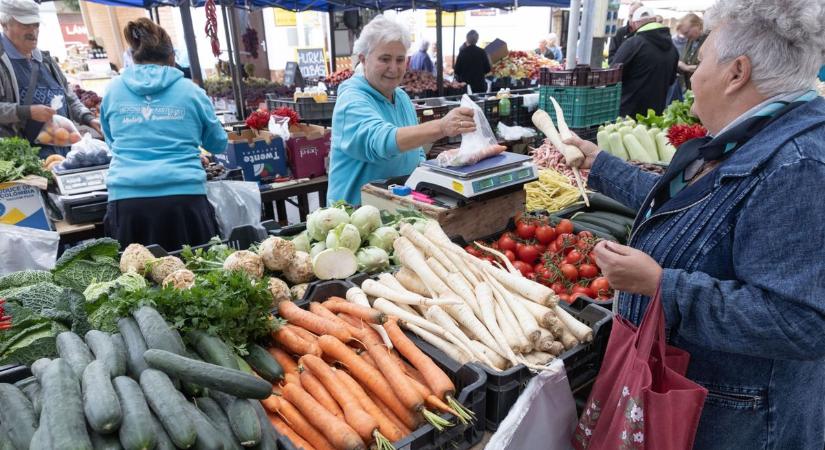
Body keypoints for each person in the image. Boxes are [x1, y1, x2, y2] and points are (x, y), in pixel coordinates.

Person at [563, 0, 825, 447]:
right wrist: (599, 164)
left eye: (701, 61)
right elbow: (696, 210)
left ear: (736, 73)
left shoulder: (799, 166)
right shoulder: (755, 136)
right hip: (708, 395)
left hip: (740, 421)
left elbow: (801, 322)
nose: (691, 77)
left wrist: (660, 285)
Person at [100, 18, 227, 251]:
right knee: (196, 270)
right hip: (184, 199)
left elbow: (112, 142)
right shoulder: (191, 92)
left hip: (127, 202)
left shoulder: (112, 91)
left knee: (136, 273)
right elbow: (218, 143)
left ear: (133, 57)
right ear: (171, 58)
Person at [326, 16, 475, 205]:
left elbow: (416, 152)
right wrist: (442, 127)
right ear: (363, 59)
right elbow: (381, 141)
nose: (394, 68)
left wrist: (436, 165)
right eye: (385, 59)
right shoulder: (351, 99)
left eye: (400, 59)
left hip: (397, 209)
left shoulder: (402, 98)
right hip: (353, 214)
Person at [0, 0, 99, 156]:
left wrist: (88, 118)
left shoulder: (45, 60)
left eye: (36, 25)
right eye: (25, 25)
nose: (33, 31)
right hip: (25, 162)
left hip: (64, 157)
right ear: (4, 24)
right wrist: (26, 112)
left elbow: (68, 95)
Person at [611, 7, 678, 117]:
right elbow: (671, 80)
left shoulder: (633, 44)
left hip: (628, 113)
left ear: (634, 24)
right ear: (655, 20)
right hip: (655, 115)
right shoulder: (673, 48)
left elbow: (613, 74)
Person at [454, 30, 491, 94]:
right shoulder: (482, 52)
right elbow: (488, 69)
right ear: (477, 40)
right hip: (480, 86)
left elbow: (457, 70)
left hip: (465, 87)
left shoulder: (462, 53)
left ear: (467, 39)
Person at [677, 13, 705, 90]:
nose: (686, 36)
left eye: (686, 32)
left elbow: (708, 67)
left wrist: (687, 68)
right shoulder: (690, 40)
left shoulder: (708, 40)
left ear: (697, 26)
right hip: (690, 87)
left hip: (702, 87)